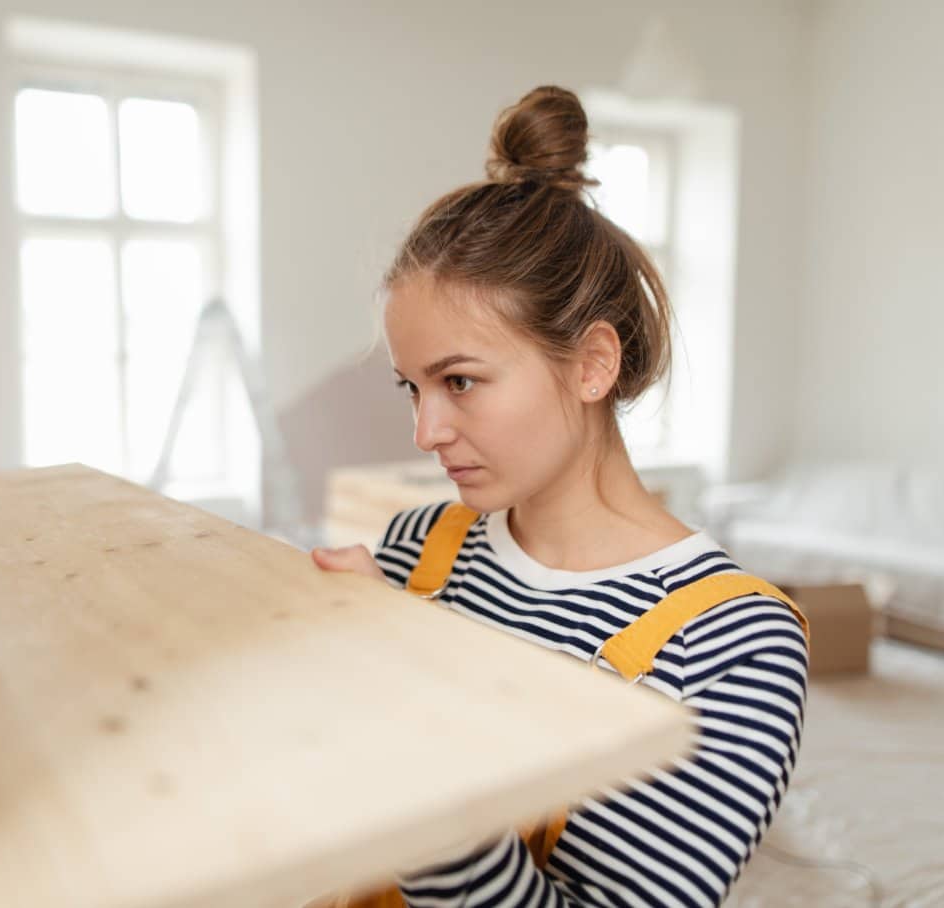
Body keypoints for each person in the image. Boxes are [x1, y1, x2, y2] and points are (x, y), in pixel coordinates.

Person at [309, 86, 808, 908]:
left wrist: (410, 696)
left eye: (460, 381)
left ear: (591, 365)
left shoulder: (732, 645)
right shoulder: (415, 546)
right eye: (412, 387)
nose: (425, 430)